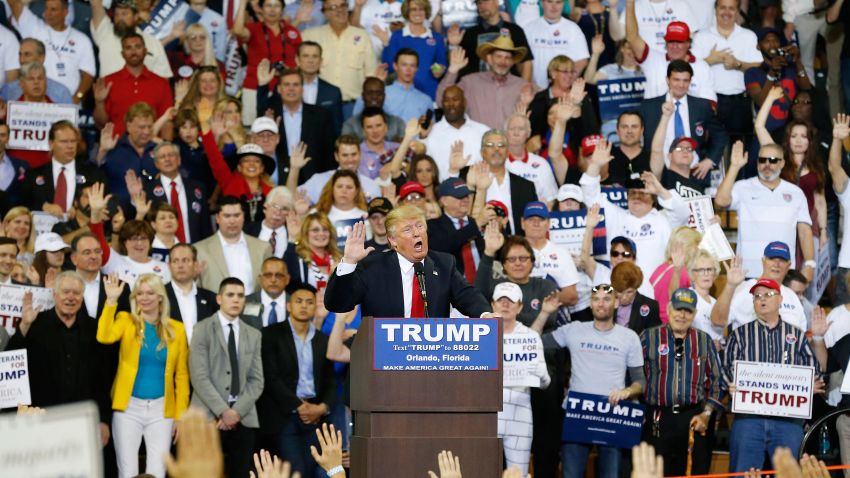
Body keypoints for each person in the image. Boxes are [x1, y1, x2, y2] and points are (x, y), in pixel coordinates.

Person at [530, 283, 645, 478]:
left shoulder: (629, 337)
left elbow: (640, 382)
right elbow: (530, 342)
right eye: (596, 299)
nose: (601, 304)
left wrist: (626, 392)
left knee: (611, 475)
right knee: (571, 474)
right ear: (590, 304)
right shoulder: (574, 330)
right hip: (578, 413)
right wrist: (544, 314)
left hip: (612, 412)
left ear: (616, 302)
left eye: (606, 299)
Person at [723, 278, 823, 472]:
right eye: (757, 296)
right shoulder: (739, 334)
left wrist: (808, 385)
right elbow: (727, 369)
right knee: (744, 473)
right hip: (748, 418)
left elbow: (814, 371)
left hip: (787, 420)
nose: (762, 300)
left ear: (780, 299)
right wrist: (731, 383)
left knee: (788, 474)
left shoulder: (797, 335)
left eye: (768, 295)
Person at [97, 273, 190, 478]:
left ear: (160, 297)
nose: (145, 297)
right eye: (140, 293)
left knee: (157, 471)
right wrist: (111, 301)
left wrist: (180, 416)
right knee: (127, 471)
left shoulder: (177, 329)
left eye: (150, 293)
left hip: (162, 410)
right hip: (128, 407)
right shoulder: (125, 320)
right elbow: (104, 336)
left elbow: (182, 376)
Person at [325, 205, 491, 317]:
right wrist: (348, 262)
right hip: (384, 359)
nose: (417, 233)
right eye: (407, 229)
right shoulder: (372, 267)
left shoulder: (443, 264)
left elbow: (467, 295)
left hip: (432, 358)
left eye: (420, 226)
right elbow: (337, 304)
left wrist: (485, 314)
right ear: (393, 240)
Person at [8, 271, 113, 448]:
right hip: (40, 420)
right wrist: (24, 325)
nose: (71, 297)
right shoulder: (35, 323)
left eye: (76, 293)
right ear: (54, 294)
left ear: (82, 297)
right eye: (65, 292)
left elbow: (103, 380)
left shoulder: (95, 328)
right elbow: (12, 365)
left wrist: (104, 420)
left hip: (83, 420)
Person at [641, 288, 724, 476]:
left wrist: (707, 414)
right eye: (678, 309)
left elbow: (717, 380)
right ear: (669, 309)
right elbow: (635, 375)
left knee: (691, 472)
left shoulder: (703, 340)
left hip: (693, 418)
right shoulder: (649, 337)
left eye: (687, 311)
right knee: (655, 473)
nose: (682, 315)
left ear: (694, 314)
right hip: (658, 418)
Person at [257, 282, 336, 477]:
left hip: (315, 416)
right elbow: (270, 377)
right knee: (295, 471)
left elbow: (330, 380)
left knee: (312, 470)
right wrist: (299, 406)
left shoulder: (322, 340)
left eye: (309, 302)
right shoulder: (270, 335)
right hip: (283, 416)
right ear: (288, 305)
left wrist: (321, 408)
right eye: (298, 301)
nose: (303, 306)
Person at [580, 139, 690, 279]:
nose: (637, 197)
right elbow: (590, 194)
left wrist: (660, 190)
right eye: (632, 193)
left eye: (643, 193)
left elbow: (683, 212)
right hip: (620, 294)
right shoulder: (617, 216)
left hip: (655, 294)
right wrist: (595, 165)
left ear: (653, 198)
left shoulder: (664, 218)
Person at [189, 277, 265, 478]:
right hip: (208, 415)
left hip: (243, 416)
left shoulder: (253, 334)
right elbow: (199, 376)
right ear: (219, 299)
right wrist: (223, 411)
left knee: (241, 473)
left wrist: (235, 412)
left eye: (240, 296)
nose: (236, 300)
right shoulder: (202, 329)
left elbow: (257, 380)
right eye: (230, 295)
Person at [715, 140, 815, 281]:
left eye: (773, 160)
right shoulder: (742, 187)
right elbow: (720, 201)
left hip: (783, 274)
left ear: (782, 163)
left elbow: (805, 231)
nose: (767, 165)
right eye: (762, 160)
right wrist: (735, 167)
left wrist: (810, 264)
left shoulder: (796, 193)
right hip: (747, 273)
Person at [755, 88, 827, 263]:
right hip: (782, 226)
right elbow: (759, 126)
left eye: (803, 136)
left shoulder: (816, 165)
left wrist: (823, 231)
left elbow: (820, 201)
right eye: (794, 136)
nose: (799, 140)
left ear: (810, 140)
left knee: (808, 275)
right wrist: (770, 98)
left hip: (809, 228)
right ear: (788, 139)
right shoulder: (778, 160)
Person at [493, 282, 551, 475]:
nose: (505, 305)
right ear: (492, 304)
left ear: (520, 306)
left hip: (520, 411)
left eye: (510, 301)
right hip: (489, 412)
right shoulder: (482, 334)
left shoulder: (531, 336)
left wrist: (540, 374)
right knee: (482, 469)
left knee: (519, 472)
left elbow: (546, 382)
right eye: (501, 300)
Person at [638, 61, 728, 177]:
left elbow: (720, 135)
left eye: (685, 80)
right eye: (676, 79)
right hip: (658, 172)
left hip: (694, 171)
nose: (681, 85)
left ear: (690, 82)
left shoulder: (702, 106)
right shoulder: (648, 107)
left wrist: (710, 160)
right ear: (667, 80)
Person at [691, 0, 764, 142]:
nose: (726, 12)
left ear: (737, 11)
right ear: (715, 10)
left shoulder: (748, 35)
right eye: (722, 8)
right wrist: (709, 60)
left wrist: (738, 64)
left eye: (731, 9)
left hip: (740, 103)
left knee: (741, 149)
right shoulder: (702, 36)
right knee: (709, 148)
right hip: (710, 102)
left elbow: (759, 67)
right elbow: (690, 70)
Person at [256, 66, 337, 184]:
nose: (291, 89)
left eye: (296, 85)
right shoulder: (270, 114)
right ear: (279, 89)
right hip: (279, 176)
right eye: (286, 85)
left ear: (302, 88)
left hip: (313, 177)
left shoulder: (321, 115)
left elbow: (329, 152)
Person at [7, 0, 95, 103]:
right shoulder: (35, 28)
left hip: (68, 103)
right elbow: (14, 3)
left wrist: (77, 97)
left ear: (65, 12)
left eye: (53, 9)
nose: (47, 13)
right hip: (36, 102)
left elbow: (89, 74)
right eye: (46, 8)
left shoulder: (82, 39)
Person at [437, 36, 533, 129]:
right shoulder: (470, 82)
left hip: (509, 144)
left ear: (512, 61)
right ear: (489, 59)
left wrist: (528, 105)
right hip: (476, 142)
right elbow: (441, 102)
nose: (503, 62)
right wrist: (453, 70)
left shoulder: (522, 85)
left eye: (507, 57)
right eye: (498, 56)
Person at [625, 3, 715, 102]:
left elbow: (710, 105)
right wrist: (630, 4)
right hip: (656, 115)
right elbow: (632, 37)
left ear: (688, 43)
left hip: (690, 116)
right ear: (666, 43)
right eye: (671, 41)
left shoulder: (702, 67)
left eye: (679, 42)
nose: (675, 46)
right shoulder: (652, 60)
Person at [302, 0, 377, 117]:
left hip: (353, 107)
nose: (340, 10)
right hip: (321, 106)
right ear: (325, 13)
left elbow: (371, 74)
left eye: (343, 5)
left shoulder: (362, 36)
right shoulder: (310, 36)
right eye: (333, 7)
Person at [231, 0, 301, 125]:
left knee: (280, 127)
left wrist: (287, 70)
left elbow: (299, 63)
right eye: (268, 6)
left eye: (277, 6)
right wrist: (242, 3)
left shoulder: (292, 32)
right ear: (261, 9)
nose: (272, 10)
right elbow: (237, 31)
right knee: (251, 126)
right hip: (254, 87)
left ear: (283, 9)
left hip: (283, 88)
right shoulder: (253, 28)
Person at [712, 242, 808, 332]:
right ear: (763, 261)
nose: (776, 264)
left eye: (782, 260)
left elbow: (801, 336)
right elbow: (717, 321)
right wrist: (730, 285)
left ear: (789, 265)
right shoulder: (743, 289)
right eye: (772, 258)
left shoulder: (792, 295)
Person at [92, 33, 174, 137]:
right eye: (128, 48)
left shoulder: (161, 83)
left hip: (152, 148)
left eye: (138, 47)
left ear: (145, 51)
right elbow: (101, 124)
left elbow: (167, 122)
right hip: (117, 147)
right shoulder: (108, 82)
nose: (133, 51)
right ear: (122, 54)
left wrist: (166, 147)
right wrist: (99, 102)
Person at [21, 121, 105, 214]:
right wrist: (43, 206)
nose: (70, 146)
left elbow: (103, 206)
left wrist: (81, 212)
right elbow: (21, 206)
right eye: (64, 141)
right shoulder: (32, 176)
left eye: (73, 141)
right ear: (51, 144)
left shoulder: (93, 174)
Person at [463, 130, 538, 235]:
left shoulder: (526, 186)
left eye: (501, 145)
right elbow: (460, 220)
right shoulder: (468, 177)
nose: (496, 149)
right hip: (478, 244)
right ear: (482, 152)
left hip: (515, 245)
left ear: (507, 153)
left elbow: (532, 221)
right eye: (490, 145)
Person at [195, 196, 273, 294]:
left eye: (236, 215)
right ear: (217, 218)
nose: (232, 221)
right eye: (227, 216)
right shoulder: (199, 250)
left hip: (254, 306)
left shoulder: (263, 248)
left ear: (243, 217)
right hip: (215, 308)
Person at [203, 120, 276, 222]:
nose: (251, 164)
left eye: (257, 161)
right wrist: (204, 124)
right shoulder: (229, 182)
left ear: (262, 168)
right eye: (246, 160)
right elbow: (214, 157)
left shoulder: (272, 192)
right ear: (239, 167)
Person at [140, 142, 212, 244]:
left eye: (171, 155)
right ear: (156, 164)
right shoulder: (148, 191)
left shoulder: (198, 188)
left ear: (179, 160)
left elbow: (205, 225)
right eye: (162, 157)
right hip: (161, 253)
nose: (167, 159)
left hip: (195, 250)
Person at [449, 0, 533, 81]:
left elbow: (526, 63)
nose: (482, 6)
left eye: (485, 1)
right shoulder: (470, 34)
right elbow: (457, 64)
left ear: (496, 2)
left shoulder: (515, 31)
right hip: (477, 90)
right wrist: (453, 45)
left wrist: (523, 88)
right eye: (479, 3)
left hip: (508, 91)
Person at [419, 86, 489, 181]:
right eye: (446, 100)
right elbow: (420, 163)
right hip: (442, 192)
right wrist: (423, 137)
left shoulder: (483, 131)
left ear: (464, 102)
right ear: (442, 104)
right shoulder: (431, 132)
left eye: (455, 99)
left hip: (479, 191)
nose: (451, 104)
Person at [381, 0, 447, 99]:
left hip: (429, 94)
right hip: (402, 95)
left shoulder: (437, 38)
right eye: (413, 9)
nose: (418, 13)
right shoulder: (397, 36)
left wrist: (439, 71)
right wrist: (386, 45)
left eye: (421, 9)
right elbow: (389, 67)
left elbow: (441, 64)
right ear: (407, 12)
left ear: (426, 11)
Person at [99, 102, 159, 213]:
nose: (146, 131)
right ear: (128, 126)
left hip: (153, 214)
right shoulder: (114, 149)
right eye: (141, 127)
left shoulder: (159, 150)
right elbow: (96, 173)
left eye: (149, 127)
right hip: (119, 215)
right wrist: (103, 151)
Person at [90, 0, 172, 79]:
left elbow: (163, 79)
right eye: (116, 14)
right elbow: (96, 4)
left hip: (144, 92)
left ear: (136, 16)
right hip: (109, 92)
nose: (120, 18)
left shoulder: (153, 42)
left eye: (124, 14)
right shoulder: (105, 33)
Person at [427, 178, 483, 284]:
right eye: (459, 196)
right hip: (453, 288)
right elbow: (443, 247)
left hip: (483, 285)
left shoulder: (477, 223)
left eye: (466, 195)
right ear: (444, 201)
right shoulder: (432, 226)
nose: (465, 200)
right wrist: (475, 226)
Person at [296, 135, 380, 204]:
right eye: (345, 155)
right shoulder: (319, 181)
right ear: (336, 156)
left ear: (360, 154)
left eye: (353, 154)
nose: (350, 159)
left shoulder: (372, 186)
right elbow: (291, 198)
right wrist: (294, 169)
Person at [525, 0, 589, 89]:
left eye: (558, 2)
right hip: (534, 91)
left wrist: (566, 83)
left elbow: (582, 61)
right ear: (542, 3)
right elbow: (523, 62)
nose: (554, 6)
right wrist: (530, 85)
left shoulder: (573, 29)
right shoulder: (529, 28)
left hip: (563, 93)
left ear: (563, 4)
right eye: (549, 2)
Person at [165, 243, 219, 343]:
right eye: (175, 261)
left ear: (195, 265)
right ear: (169, 266)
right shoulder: (159, 296)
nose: (180, 265)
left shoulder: (211, 298)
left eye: (185, 260)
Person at [361, 49, 432, 122]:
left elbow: (429, 129)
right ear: (395, 66)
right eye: (404, 65)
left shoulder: (426, 100)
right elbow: (361, 118)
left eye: (412, 65)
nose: (408, 69)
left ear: (416, 69)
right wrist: (376, 82)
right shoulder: (380, 94)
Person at [648, 226, 701, 322]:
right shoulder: (684, 273)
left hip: (655, 322)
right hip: (672, 323)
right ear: (691, 249)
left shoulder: (661, 267)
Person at [504, 113, 559, 205]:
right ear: (505, 133)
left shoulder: (541, 164)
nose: (516, 133)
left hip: (534, 216)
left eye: (521, 129)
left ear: (528, 133)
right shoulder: (498, 164)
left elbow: (551, 199)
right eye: (512, 129)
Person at [283, 212, 342, 289]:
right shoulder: (297, 258)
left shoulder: (339, 258)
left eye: (325, 229)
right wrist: (292, 238)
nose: (321, 234)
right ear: (306, 233)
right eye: (315, 230)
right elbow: (285, 276)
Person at [295, 41, 343, 132]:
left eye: (315, 56)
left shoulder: (333, 92)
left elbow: (336, 128)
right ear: (297, 60)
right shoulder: (285, 89)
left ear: (321, 61)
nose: (310, 60)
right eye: (305, 56)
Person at [341, 77, 406, 141]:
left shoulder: (397, 123)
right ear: (363, 96)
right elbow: (347, 149)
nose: (374, 97)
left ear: (384, 96)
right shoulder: (350, 125)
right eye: (369, 93)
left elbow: (405, 148)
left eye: (379, 93)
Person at [612, 261, 661, 335]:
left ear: (636, 288)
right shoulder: (605, 302)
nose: (624, 297)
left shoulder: (651, 306)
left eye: (629, 292)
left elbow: (653, 339)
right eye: (620, 291)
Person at [242, 257, 291, 328]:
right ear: (260, 279)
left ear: (287, 279)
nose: (273, 280)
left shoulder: (296, 304)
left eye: (278, 276)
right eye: (268, 275)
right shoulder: (244, 303)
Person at [245, 186, 294, 258]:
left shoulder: (294, 235)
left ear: (290, 213)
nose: (278, 212)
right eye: (275, 206)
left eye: (284, 208)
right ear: (265, 207)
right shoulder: (246, 231)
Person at [687, 250, 724, 344]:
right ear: (692, 274)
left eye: (709, 269)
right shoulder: (687, 298)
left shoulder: (715, 303)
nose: (706, 273)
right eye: (701, 270)